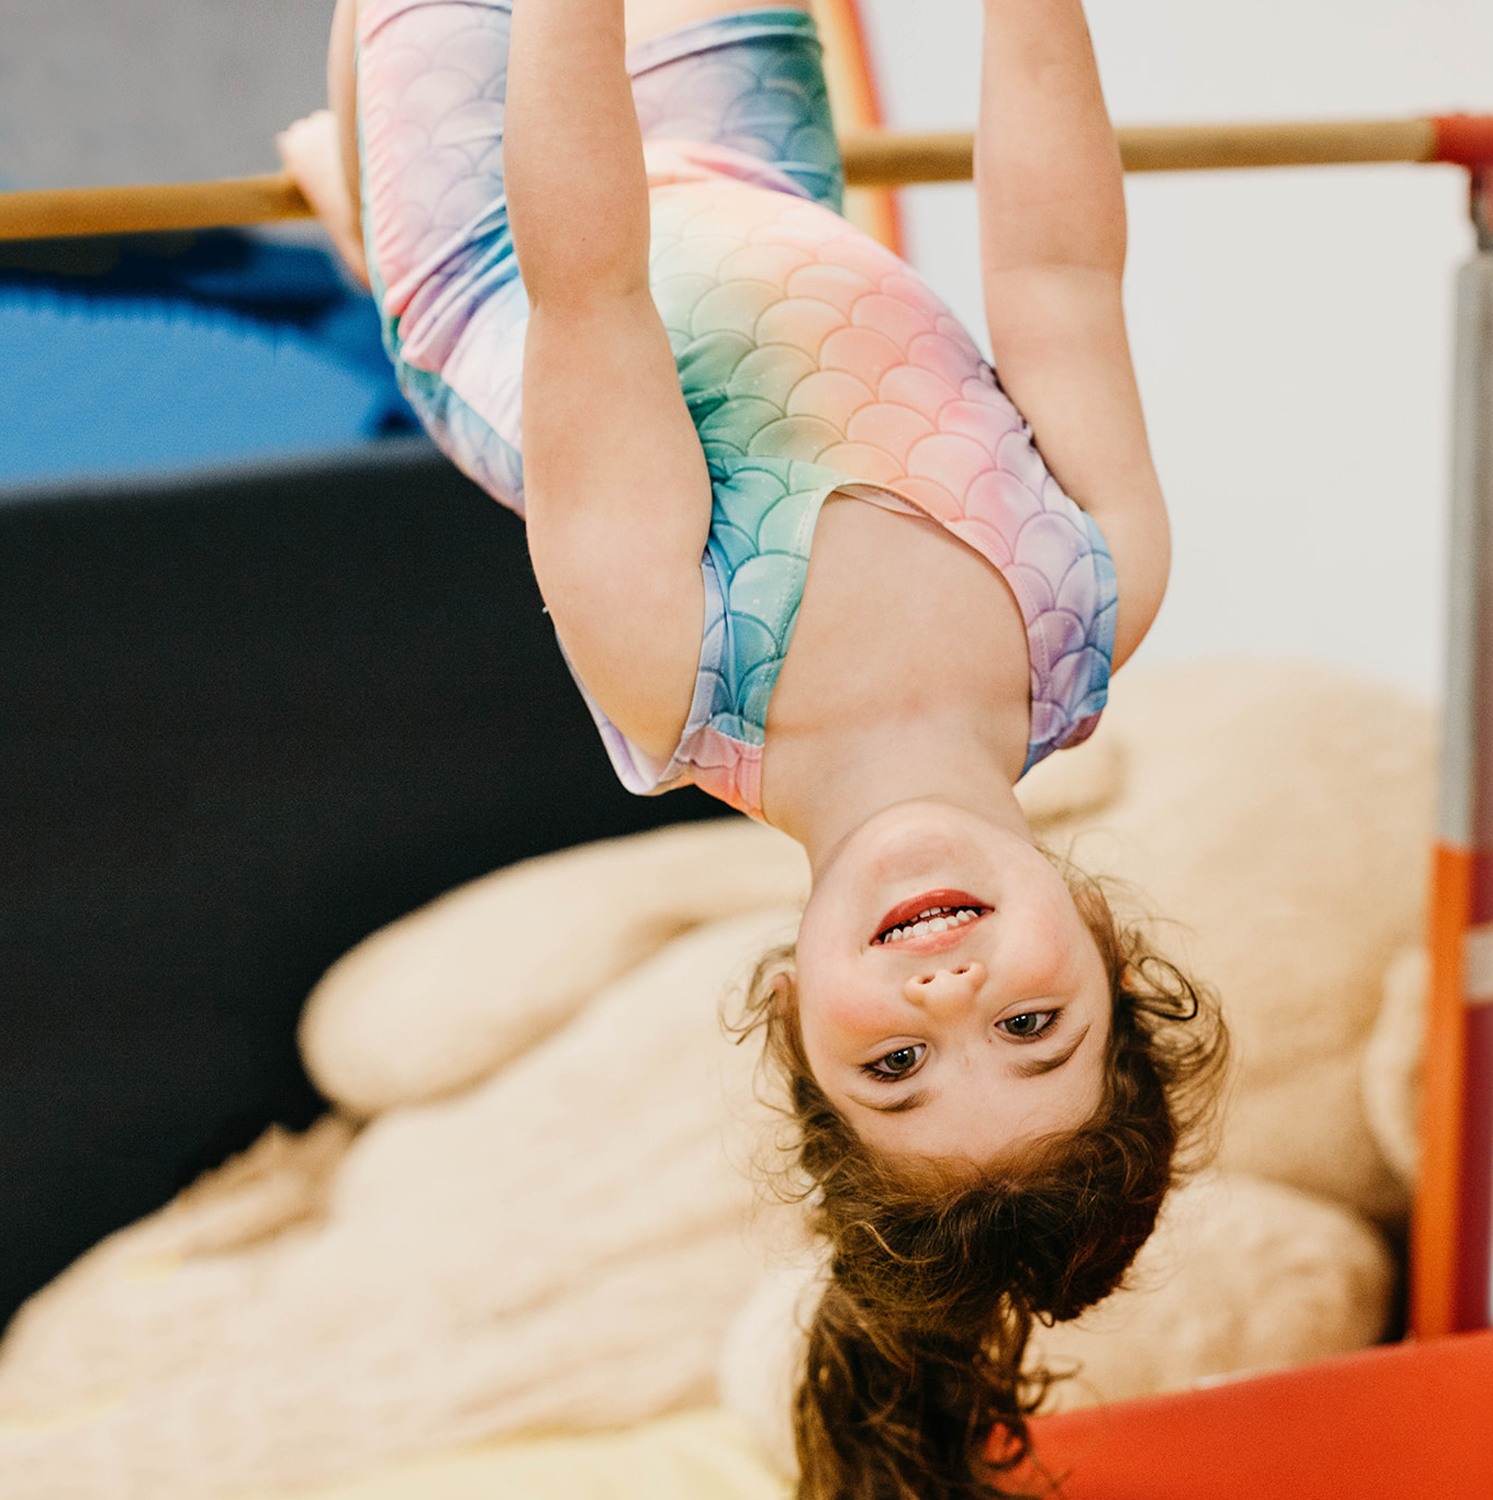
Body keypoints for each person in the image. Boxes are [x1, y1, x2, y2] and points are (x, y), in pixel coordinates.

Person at [281, 1, 1228, 1493]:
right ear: (1104, 945)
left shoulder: (687, 680)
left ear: (797, 1014)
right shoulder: (1095, 593)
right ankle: (335, 167)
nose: (950, 991)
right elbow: (1059, 268)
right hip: (761, 177)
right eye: (1033, 1031)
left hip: (505, 244)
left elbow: (592, 289)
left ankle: (357, 190)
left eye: (898, 1062)